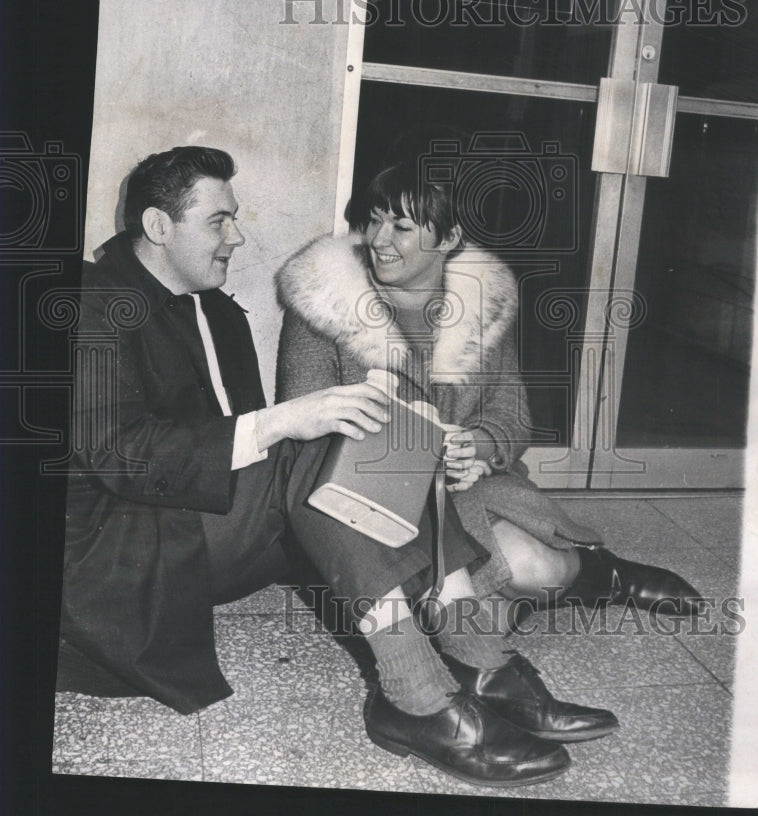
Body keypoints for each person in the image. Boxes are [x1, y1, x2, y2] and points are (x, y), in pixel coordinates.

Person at [58, 146, 615, 788]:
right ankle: (418, 695)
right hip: (114, 553)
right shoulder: (91, 305)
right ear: (159, 227)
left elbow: (252, 470)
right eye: (218, 221)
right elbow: (119, 453)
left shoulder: (216, 311)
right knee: (325, 442)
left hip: (198, 533)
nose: (237, 236)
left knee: (371, 441)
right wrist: (284, 422)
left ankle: (482, 662)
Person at [276, 161, 703, 623]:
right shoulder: (322, 303)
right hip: (372, 495)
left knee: (535, 569)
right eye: (374, 219)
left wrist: (472, 446)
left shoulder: (480, 305)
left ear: (449, 239)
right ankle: (506, 601)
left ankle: (604, 574)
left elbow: (513, 417)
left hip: (470, 486)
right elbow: (307, 419)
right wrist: (407, 444)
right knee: (480, 610)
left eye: (401, 226)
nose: (379, 239)